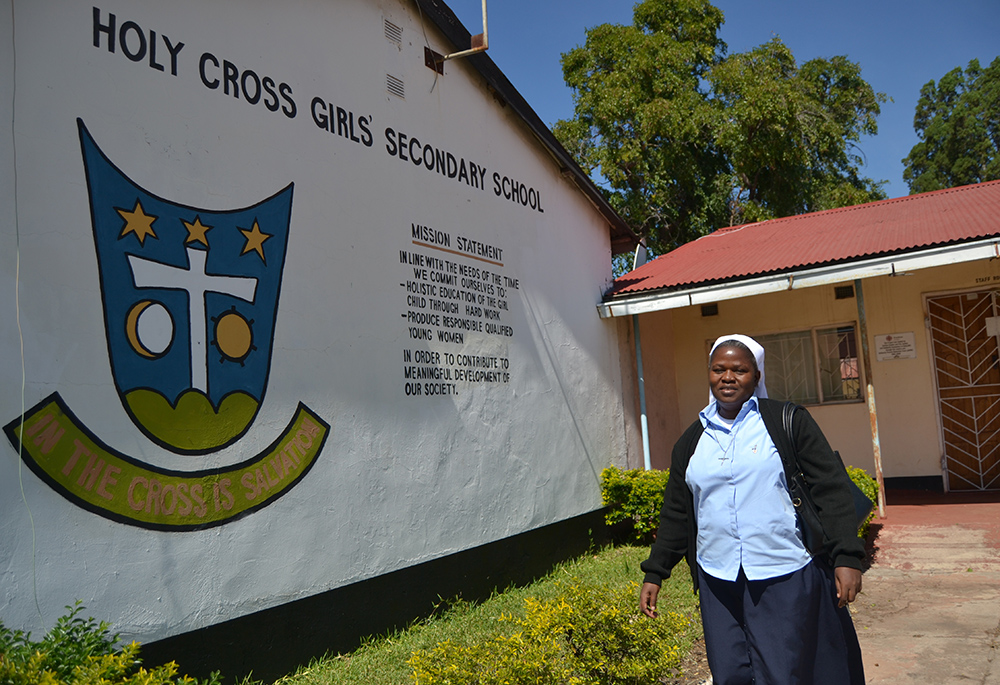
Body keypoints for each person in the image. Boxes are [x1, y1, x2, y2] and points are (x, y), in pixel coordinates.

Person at [639, 334, 865, 684]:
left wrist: (847, 557)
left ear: (756, 376)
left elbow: (830, 487)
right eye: (719, 369)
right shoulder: (692, 440)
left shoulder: (786, 422)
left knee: (783, 672)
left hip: (782, 572)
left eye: (739, 370)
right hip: (718, 578)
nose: (728, 377)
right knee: (730, 673)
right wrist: (656, 571)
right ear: (709, 374)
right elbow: (677, 510)